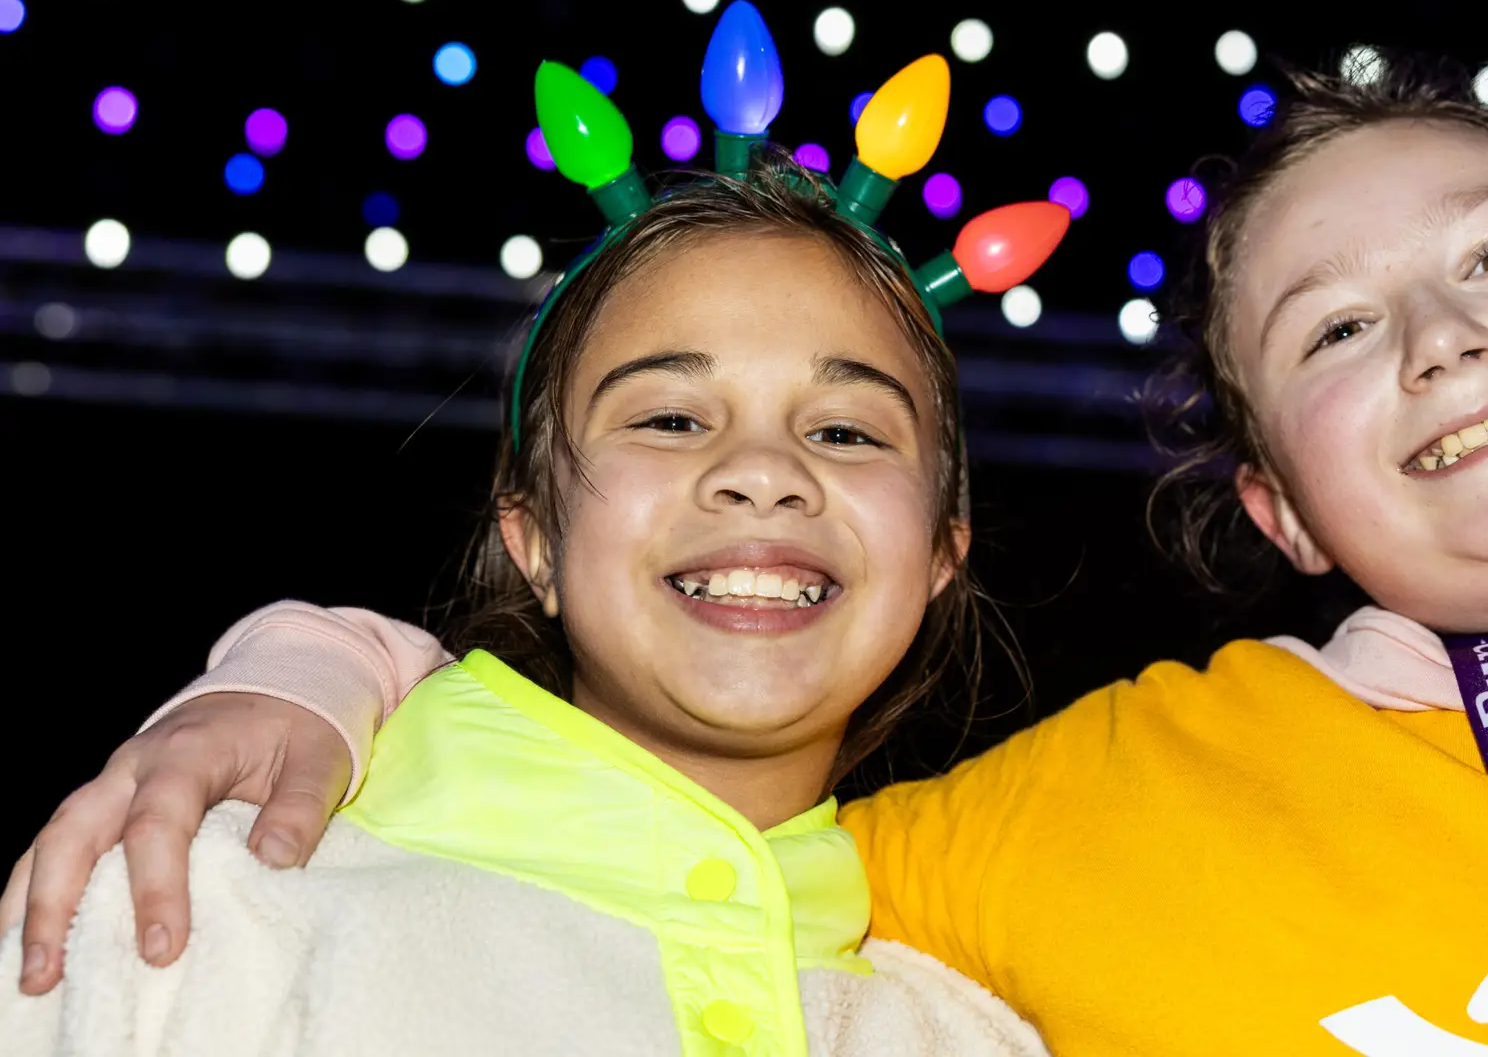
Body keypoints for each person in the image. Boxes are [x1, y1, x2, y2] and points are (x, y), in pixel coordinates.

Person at [11, 59, 1488, 1056]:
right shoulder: (1104, 806)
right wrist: (314, 671)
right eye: (1331, 329)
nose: (1437, 339)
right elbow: (665, 815)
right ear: (1278, 514)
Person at [0, 51, 1060, 1055]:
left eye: (845, 430)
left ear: (939, 553)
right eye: (672, 418)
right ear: (535, 539)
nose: (763, 468)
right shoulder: (188, 900)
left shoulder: (972, 1027)